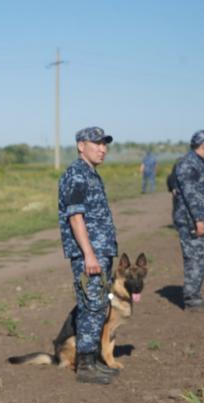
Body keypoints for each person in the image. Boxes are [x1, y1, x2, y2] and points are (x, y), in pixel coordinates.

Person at [58, 126, 119, 384]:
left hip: (100, 252)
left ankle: (92, 361)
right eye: (97, 144)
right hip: (89, 255)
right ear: (81, 146)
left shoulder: (91, 174)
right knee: (91, 307)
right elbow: (75, 217)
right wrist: (90, 255)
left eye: (105, 144)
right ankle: (85, 366)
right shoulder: (77, 174)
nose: (102, 149)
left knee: (97, 307)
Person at [171, 130, 204, 312]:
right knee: (195, 260)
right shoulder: (188, 164)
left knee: (200, 258)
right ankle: (192, 301)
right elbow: (190, 195)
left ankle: (194, 296)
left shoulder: (200, 163)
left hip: (201, 219)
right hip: (192, 221)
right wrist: (198, 219)